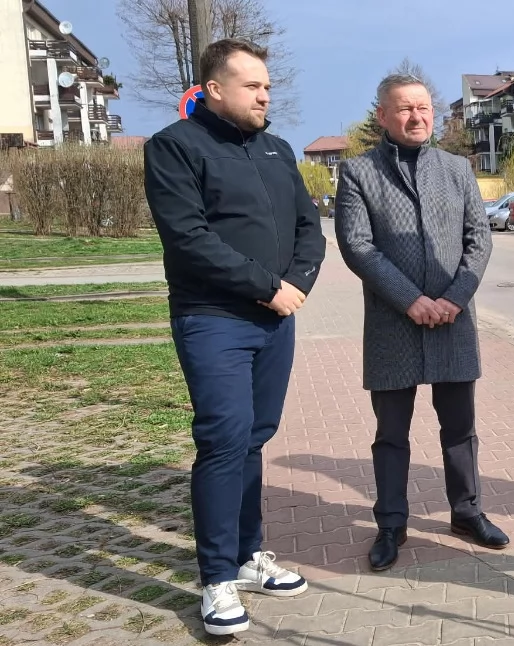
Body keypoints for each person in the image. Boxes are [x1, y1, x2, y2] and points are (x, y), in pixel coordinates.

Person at [142, 39, 325, 636]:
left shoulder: (277, 148)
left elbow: (309, 227)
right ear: (214, 89)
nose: (265, 94)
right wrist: (265, 286)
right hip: (212, 317)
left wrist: (295, 283)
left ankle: (249, 558)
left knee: (254, 437)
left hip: (275, 319)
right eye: (252, 86)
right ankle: (217, 579)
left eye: (267, 85)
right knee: (223, 439)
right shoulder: (174, 147)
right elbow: (188, 238)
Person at [334, 73, 508, 574]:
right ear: (383, 116)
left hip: (454, 321)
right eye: (405, 109)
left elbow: (480, 238)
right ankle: (391, 523)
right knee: (392, 433)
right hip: (394, 323)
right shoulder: (358, 172)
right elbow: (357, 246)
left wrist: (454, 298)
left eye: (425, 108)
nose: (417, 117)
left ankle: (466, 512)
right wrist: (411, 301)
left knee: (460, 428)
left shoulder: (456, 168)